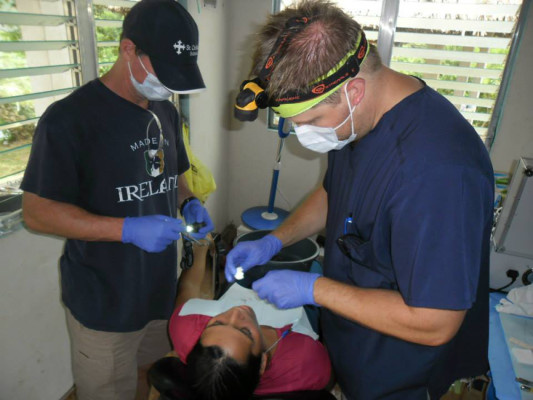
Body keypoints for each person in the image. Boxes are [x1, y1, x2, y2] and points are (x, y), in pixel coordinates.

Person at [226, 1, 494, 399]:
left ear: (353, 90)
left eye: (311, 122)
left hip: (401, 374)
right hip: (353, 348)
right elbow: (336, 192)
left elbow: (437, 322)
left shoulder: (438, 172)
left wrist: (314, 290)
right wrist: (275, 240)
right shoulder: (358, 118)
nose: (307, 136)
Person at [20, 0, 214, 399]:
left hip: (159, 291)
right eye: (163, 71)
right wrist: (125, 229)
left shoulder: (165, 110)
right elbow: (37, 214)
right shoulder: (69, 120)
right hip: (104, 303)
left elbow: (173, 178)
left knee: (148, 376)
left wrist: (189, 202)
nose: (168, 86)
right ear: (129, 50)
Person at [168, 238, 331, 400]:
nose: (236, 312)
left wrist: (201, 247)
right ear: (262, 363)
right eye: (245, 331)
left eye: (217, 323)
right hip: (301, 316)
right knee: (315, 267)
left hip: (241, 290)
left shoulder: (186, 329)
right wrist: (318, 291)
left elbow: (188, 289)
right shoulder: (305, 360)